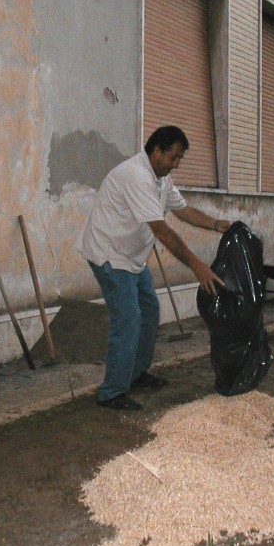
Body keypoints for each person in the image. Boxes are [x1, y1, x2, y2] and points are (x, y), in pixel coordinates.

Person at [76, 125, 231, 410]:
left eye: (180, 159)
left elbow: (182, 210)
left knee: (149, 311)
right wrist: (197, 266)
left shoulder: (160, 178)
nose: (176, 164)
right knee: (129, 319)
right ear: (156, 150)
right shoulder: (137, 177)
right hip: (109, 255)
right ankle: (111, 392)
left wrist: (215, 224)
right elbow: (161, 230)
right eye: (173, 157)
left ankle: (134, 375)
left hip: (132, 257)